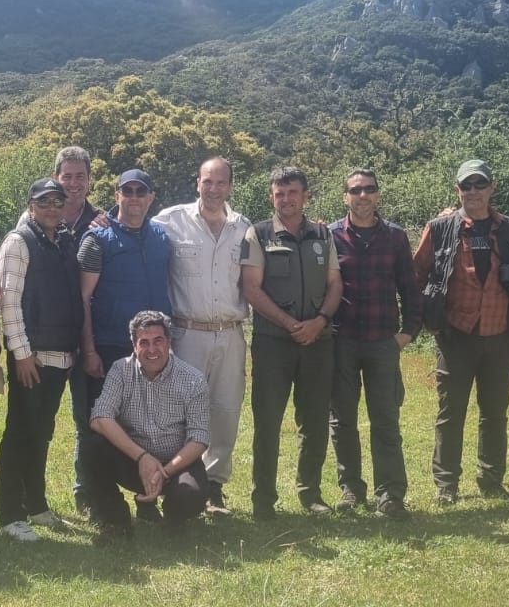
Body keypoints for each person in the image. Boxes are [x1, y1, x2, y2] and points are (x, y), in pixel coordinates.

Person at [412, 159, 509, 505]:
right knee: (451, 413)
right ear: (457, 190)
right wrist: (430, 313)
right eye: (467, 186)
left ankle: (492, 478)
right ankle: (446, 483)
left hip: (499, 335)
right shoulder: (438, 228)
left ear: (492, 188)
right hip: (454, 337)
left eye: (480, 185)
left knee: (494, 412)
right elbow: (416, 274)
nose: (474, 192)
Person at [239, 167, 345, 519]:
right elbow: (251, 288)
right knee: (267, 422)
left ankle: (310, 493)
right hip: (272, 344)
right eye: (279, 193)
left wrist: (320, 322)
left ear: (305, 195)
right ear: (272, 197)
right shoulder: (259, 234)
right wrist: (289, 324)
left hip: (318, 341)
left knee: (314, 421)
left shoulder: (322, 235)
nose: (286, 199)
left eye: (293, 192)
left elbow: (334, 284)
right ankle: (263, 500)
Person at [154, 157, 250, 515]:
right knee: (180, 411)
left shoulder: (244, 228)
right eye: (207, 182)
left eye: (221, 183)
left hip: (230, 333)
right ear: (197, 183)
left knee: (225, 411)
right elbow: (128, 225)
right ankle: (176, 482)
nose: (213, 189)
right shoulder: (169, 220)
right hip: (186, 333)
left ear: (230, 186)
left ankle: (213, 487)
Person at [77, 168, 172, 521]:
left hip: (153, 352)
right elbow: (83, 299)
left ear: (150, 197)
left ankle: (148, 500)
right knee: (102, 429)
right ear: (116, 194)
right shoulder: (97, 238)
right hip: (109, 349)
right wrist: (89, 350)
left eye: (140, 191)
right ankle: (105, 507)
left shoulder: (162, 236)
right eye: (126, 191)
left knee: (149, 426)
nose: (133, 197)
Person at [0, 178, 82, 541]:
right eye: (43, 201)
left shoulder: (61, 240)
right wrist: (22, 353)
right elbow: (9, 302)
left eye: (57, 202)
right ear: (30, 206)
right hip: (33, 356)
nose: (51, 207)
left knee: (41, 433)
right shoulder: (19, 242)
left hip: (60, 354)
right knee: (20, 433)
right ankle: (10, 514)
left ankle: (36, 505)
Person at [328, 168, 421, 513]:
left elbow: (410, 288)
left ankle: (390, 494)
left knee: (385, 420)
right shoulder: (330, 236)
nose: (363, 195)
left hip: (383, 341)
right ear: (345, 197)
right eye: (355, 190)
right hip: (343, 342)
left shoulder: (395, 237)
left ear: (378, 195)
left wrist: (407, 333)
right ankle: (351, 489)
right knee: (342, 421)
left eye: (369, 189)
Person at [27, 146, 109, 516]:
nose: (74, 184)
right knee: (38, 423)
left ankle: (86, 494)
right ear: (55, 176)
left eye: (81, 176)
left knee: (87, 418)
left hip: (87, 334)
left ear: (90, 179)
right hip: (45, 337)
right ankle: (32, 497)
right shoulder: (33, 219)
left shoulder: (104, 220)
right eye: (67, 176)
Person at [86, 311, 211, 542]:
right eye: (144, 342)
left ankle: (174, 519)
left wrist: (164, 472)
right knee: (93, 447)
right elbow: (99, 418)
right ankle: (117, 522)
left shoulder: (193, 379)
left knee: (191, 495)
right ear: (134, 345)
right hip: (133, 461)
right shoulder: (120, 370)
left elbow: (199, 439)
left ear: (169, 343)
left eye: (158, 341)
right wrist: (142, 457)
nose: (152, 349)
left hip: (176, 464)